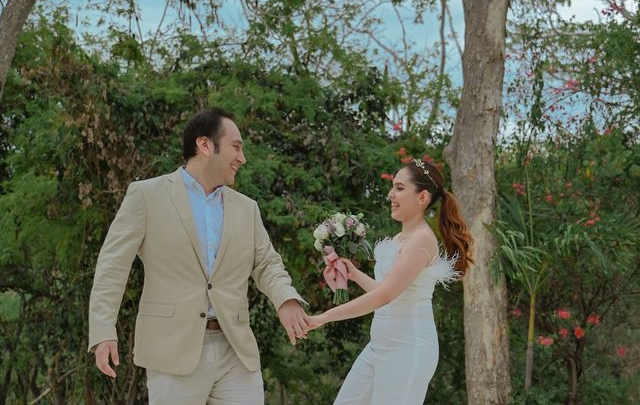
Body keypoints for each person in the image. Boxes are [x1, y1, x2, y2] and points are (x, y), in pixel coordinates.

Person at [88, 108, 308, 405]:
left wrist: (286, 298)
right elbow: (113, 266)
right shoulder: (146, 195)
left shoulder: (247, 208)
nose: (241, 158)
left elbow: (267, 263)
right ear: (205, 145)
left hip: (236, 351)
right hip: (172, 350)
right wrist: (103, 330)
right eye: (236, 147)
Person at [307, 158, 473, 404]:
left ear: (422, 197)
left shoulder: (421, 240)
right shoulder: (400, 238)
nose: (390, 194)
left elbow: (384, 296)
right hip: (379, 346)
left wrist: (324, 317)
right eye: (393, 187)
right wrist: (352, 273)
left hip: (408, 349)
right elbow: (387, 291)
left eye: (399, 188)